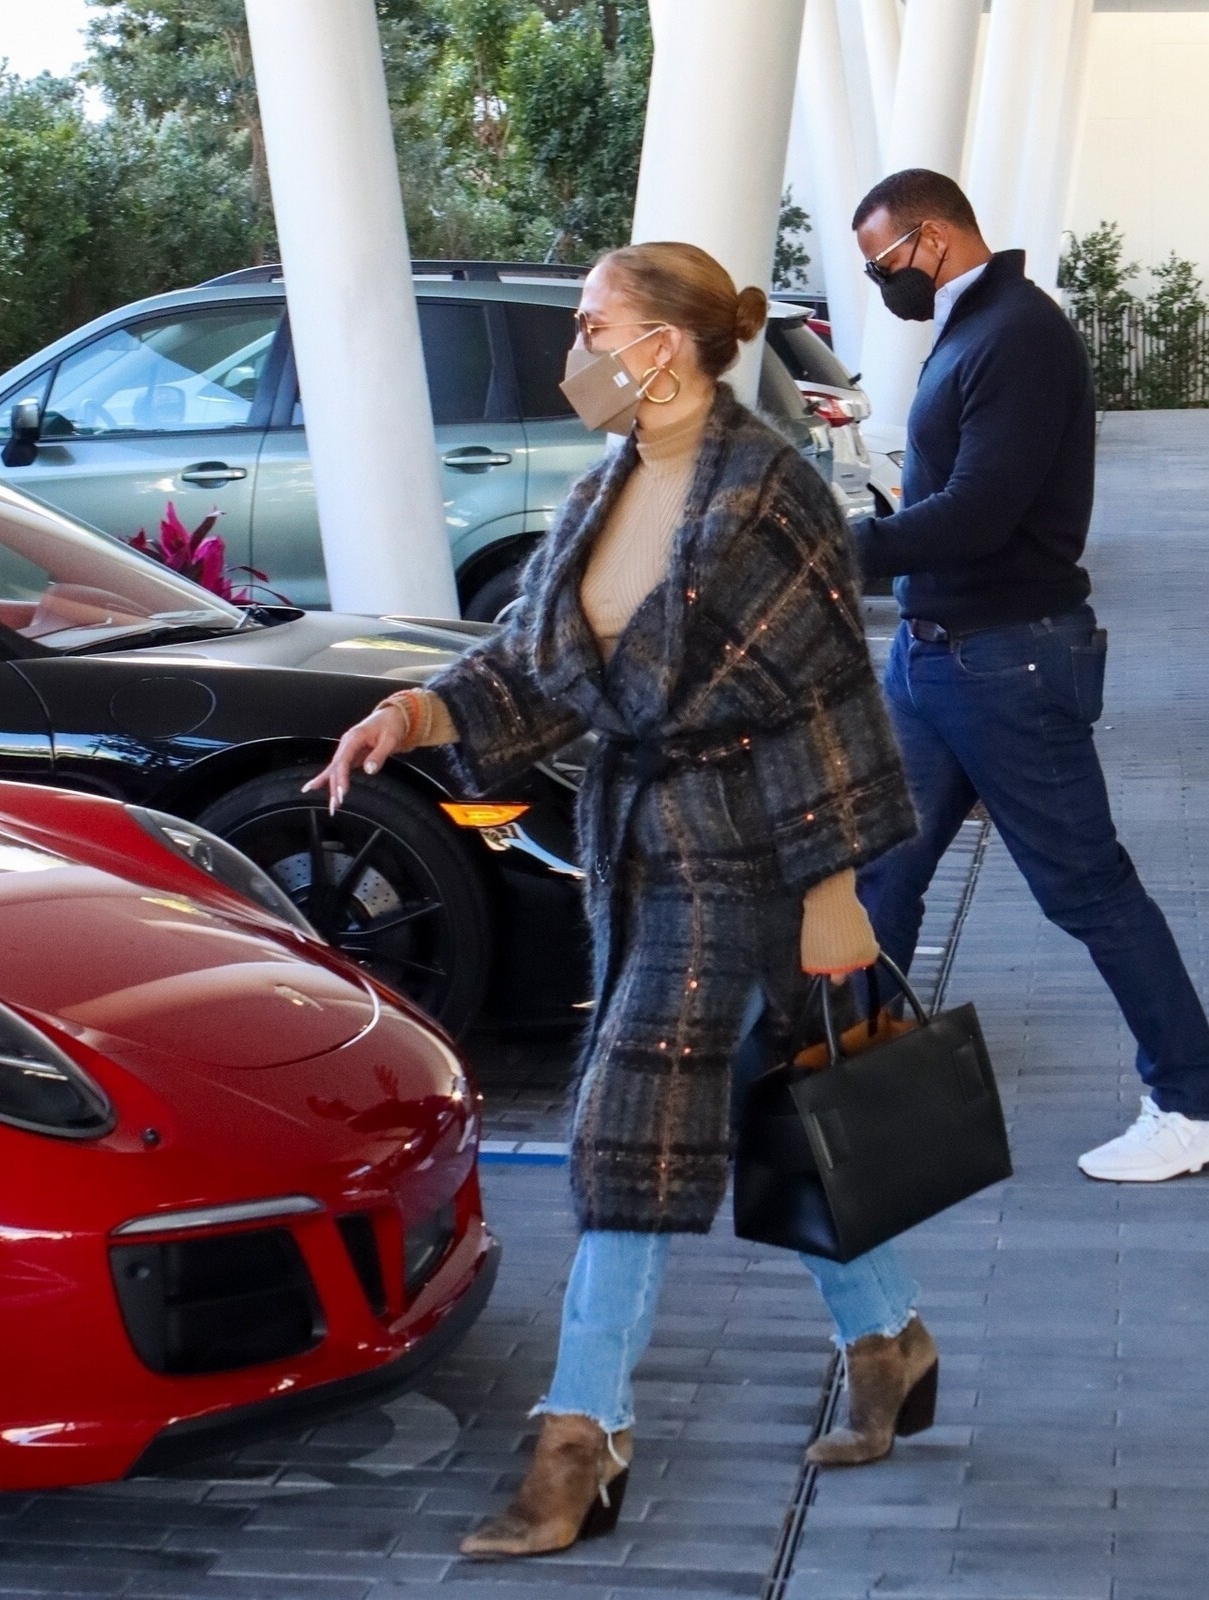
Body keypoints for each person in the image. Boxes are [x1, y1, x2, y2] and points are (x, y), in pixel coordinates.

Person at [309, 242, 937, 1562]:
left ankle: (580, 1442)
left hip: (751, 852)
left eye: (595, 326)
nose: (578, 351)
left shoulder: (771, 492)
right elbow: (540, 664)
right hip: (640, 849)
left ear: (667, 342)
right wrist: (414, 712)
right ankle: (888, 1340)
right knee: (775, 1099)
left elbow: (829, 697)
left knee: (625, 1127)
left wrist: (836, 889)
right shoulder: (611, 482)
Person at [847, 169, 1209, 1184]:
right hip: (935, 655)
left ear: (933, 238)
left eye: (883, 261)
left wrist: (845, 545)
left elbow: (982, 510)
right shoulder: (973, 326)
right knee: (881, 873)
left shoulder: (1018, 334)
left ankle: (1196, 1106)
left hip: (1005, 659)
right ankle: (856, 1093)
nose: (881, 282)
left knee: (1089, 888)